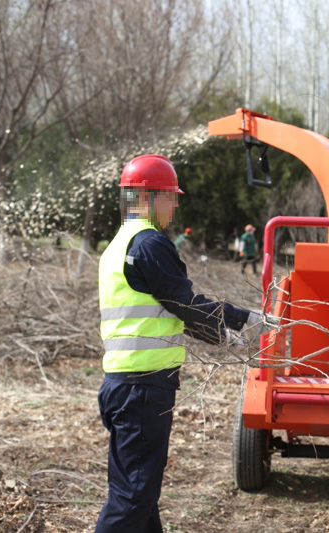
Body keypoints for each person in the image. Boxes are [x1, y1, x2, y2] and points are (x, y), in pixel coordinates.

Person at [95, 154, 273, 532]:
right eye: (170, 197)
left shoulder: (119, 244)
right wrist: (247, 318)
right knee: (133, 497)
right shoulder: (149, 243)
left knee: (138, 494)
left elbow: (166, 310)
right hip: (142, 389)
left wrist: (221, 336)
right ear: (148, 197)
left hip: (123, 386)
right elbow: (185, 302)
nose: (175, 205)